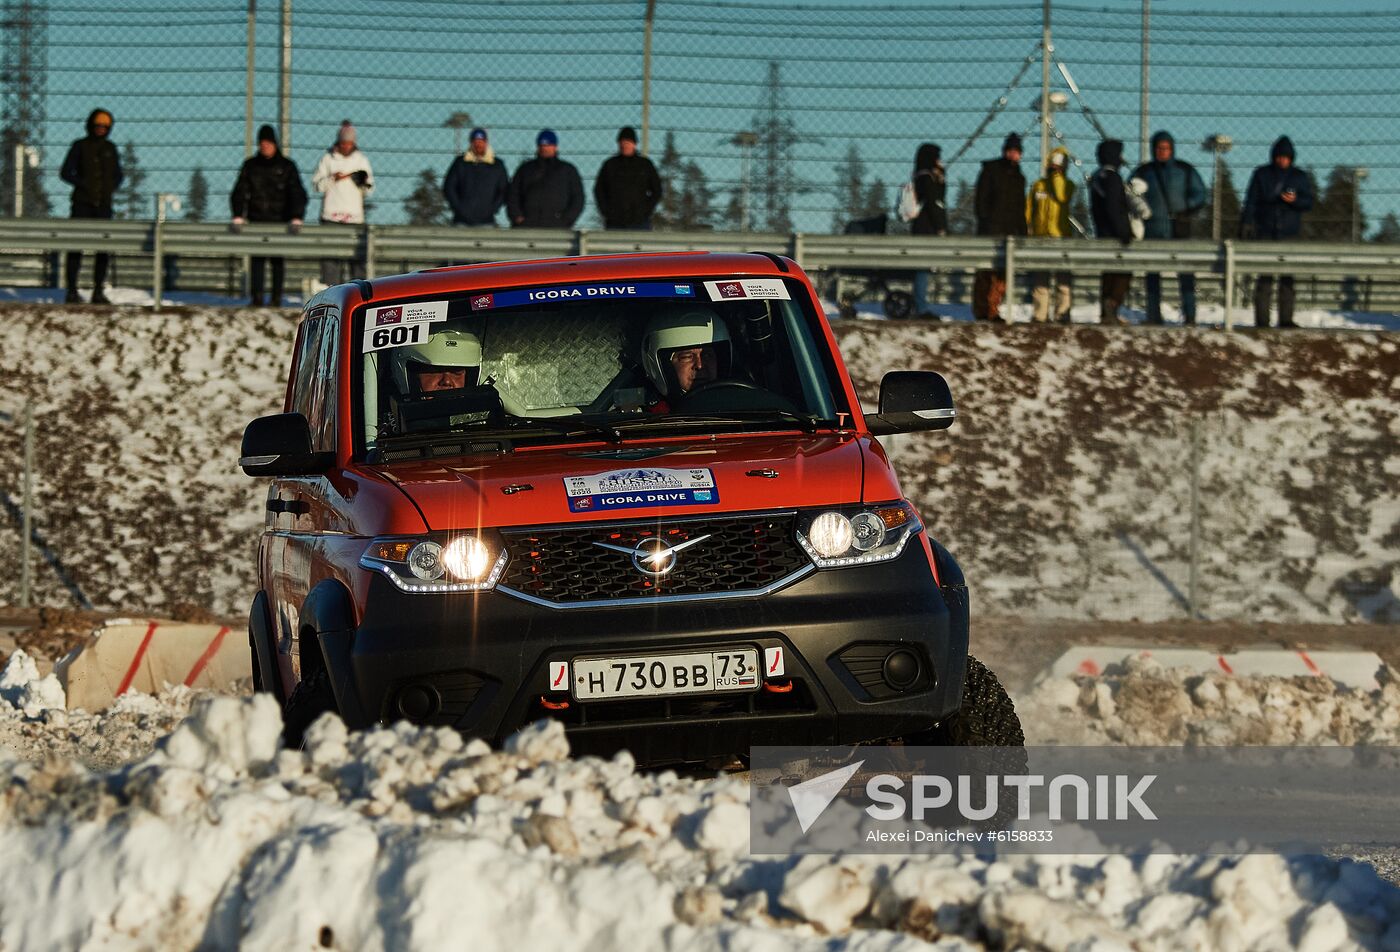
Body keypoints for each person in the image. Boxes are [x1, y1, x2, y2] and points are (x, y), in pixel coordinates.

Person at [1131, 130, 1207, 325]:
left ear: (1172, 149)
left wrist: (1186, 208)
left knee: (1186, 273)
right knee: (1152, 274)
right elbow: (1130, 193)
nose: (1162, 152)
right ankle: (1153, 314)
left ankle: (1190, 315)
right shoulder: (1144, 172)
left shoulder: (1184, 170)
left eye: (1166, 148)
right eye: (1159, 148)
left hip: (1179, 229)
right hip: (1153, 230)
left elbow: (1200, 194)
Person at [1240, 136, 1314, 329]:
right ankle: (1262, 320)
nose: (1282, 160)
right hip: (1266, 230)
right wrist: (1247, 223)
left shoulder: (1298, 177)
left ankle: (1285, 319)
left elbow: (1308, 202)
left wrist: (1294, 200)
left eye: (1286, 157)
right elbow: (1251, 200)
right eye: (1280, 157)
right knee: (1265, 278)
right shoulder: (1262, 175)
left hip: (1288, 232)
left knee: (1287, 279)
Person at [231, 125, 308, 306]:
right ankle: (257, 297)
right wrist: (238, 214)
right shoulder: (251, 165)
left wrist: (296, 216)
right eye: (262, 143)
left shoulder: (287, 166)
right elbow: (240, 190)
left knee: (277, 260)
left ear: (275, 143)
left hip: (280, 221)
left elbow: (297, 192)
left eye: (268, 143)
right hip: (257, 220)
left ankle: (276, 298)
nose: (265, 146)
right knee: (257, 260)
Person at [58, 108, 123, 304]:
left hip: (103, 204)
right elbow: (65, 172)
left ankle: (98, 291)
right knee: (75, 246)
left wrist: (109, 187)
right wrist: (84, 184)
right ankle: (71, 290)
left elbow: (118, 174)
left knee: (103, 248)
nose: (101, 129)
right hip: (82, 203)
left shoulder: (110, 149)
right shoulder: (80, 146)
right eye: (98, 125)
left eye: (105, 126)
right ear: (91, 125)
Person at [311, 120, 374, 285]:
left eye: (349, 143)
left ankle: (358, 295)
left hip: (354, 218)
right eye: (344, 142)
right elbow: (317, 185)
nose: (346, 146)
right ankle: (330, 292)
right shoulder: (328, 159)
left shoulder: (361, 160)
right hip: (331, 217)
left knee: (356, 261)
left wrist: (362, 181)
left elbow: (369, 189)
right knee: (330, 261)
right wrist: (332, 178)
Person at [972, 133, 1027, 322]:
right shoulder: (991, 171)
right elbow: (981, 201)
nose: (1013, 155)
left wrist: (1022, 230)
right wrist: (986, 221)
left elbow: (1020, 207)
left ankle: (992, 308)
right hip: (992, 230)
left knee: (1002, 274)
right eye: (1011, 151)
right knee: (986, 272)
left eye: (1016, 151)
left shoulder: (1019, 177)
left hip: (1009, 231)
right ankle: (983, 310)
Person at [641, 307, 732, 409]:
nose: (700, 365)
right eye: (687, 356)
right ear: (663, 366)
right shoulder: (651, 419)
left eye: (707, 355)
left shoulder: (740, 406)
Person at [1025, 146, 1075, 323]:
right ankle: (1040, 315)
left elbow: (1061, 196)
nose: (1056, 166)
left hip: (1060, 236)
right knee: (1040, 279)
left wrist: (1056, 176)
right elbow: (1029, 209)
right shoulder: (1038, 185)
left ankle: (1062, 313)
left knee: (1063, 279)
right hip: (1040, 237)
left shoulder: (1068, 184)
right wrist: (1027, 229)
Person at [1089, 139, 1134, 326]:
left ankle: (1106, 312)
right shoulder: (1113, 178)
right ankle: (1112, 305)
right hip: (1115, 234)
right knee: (1123, 272)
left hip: (1102, 231)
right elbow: (1115, 207)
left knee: (1108, 273)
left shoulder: (1097, 177)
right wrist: (1124, 232)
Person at [507, 129, 584, 229]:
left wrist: (566, 219)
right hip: (528, 226)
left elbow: (578, 197)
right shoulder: (526, 169)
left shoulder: (567, 170)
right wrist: (517, 217)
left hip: (557, 227)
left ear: (555, 147)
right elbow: (513, 194)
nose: (545, 148)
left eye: (548, 145)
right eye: (542, 145)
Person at [594, 126, 662, 230]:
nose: (625, 144)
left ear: (634, 144)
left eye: (628, 141)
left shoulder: (645, 165)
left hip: (640, 222)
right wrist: (607, 212)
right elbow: (599, 190)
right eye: (623, 141)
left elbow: (657, 190)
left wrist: (645, 211)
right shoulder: (610, 165)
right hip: (615, 222)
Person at [908, 143, 947, 319]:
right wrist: (941, 227)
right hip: (927, 228)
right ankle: (921, 306)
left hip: (921, 227)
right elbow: (935, 202)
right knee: (922, 267)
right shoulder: (926, 177)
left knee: (922, 267)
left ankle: (920, 304)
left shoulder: (920, 176)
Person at [442, 127, 508, 227]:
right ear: (471, 143)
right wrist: (459, 208)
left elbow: (503, 190)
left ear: (486, 142)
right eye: (475, 141)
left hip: (487, 221)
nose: (478, 145)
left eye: (481, 141)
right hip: (461, 221)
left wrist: (492, 209)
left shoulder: (497, 165)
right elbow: (449, 187)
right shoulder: (460, 163)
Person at [390, 328, 483, 395]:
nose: (446, 381)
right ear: (412, 376)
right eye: (435, 370)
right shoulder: (377, 418)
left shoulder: (489, 419)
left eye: (456, 371)